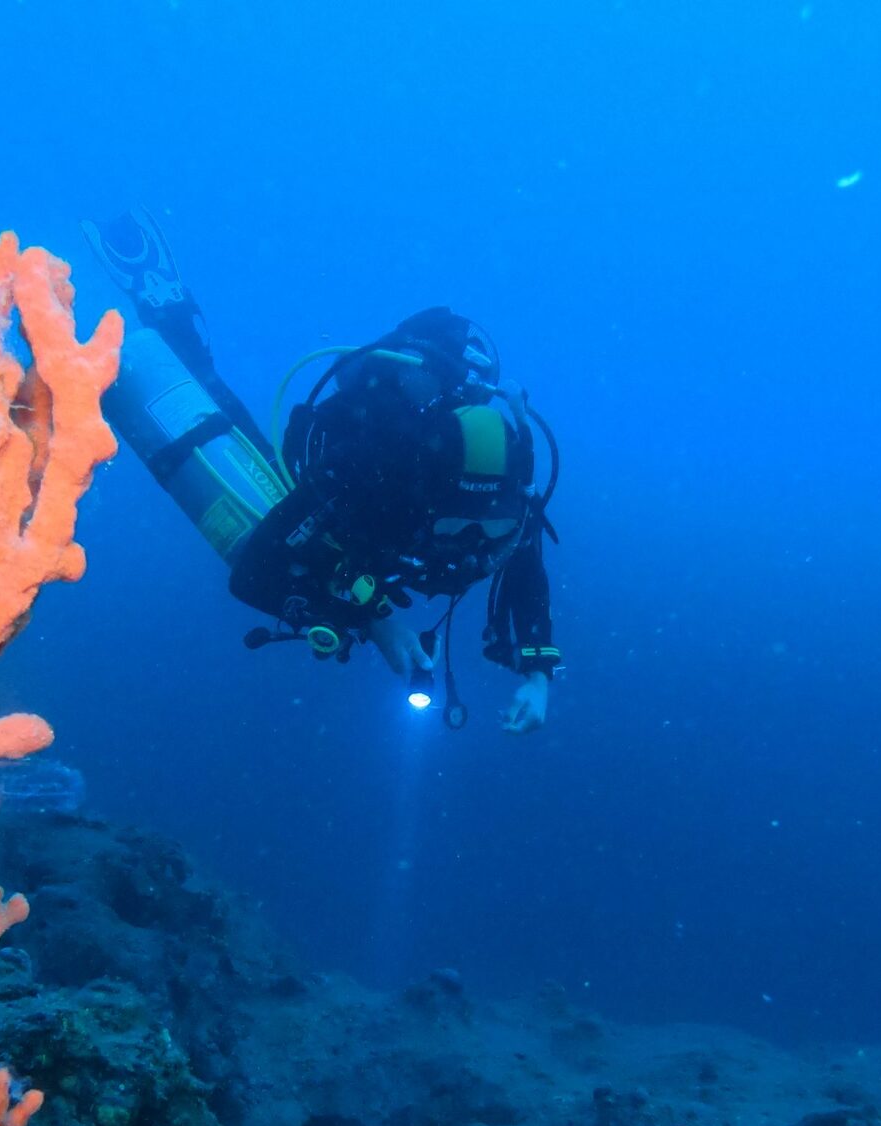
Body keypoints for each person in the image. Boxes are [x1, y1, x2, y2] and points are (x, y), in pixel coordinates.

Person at [82, 208, 564, 733]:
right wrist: (374, 620)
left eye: (491, 529)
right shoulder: (376, 477)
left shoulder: (509, 507)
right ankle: (169, 313)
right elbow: (254, 574)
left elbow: (525, 570)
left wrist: (538, 676)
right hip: (336, 487)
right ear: (426, 503)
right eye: (457, 525)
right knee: (231, 446)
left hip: (394, 503)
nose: (472, 545)